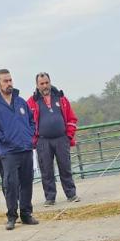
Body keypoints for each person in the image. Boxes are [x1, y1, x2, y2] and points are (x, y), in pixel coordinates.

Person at [0, 69, 39, 230]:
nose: (9, 83)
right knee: (11, 184)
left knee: (27, 182)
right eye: (5, 81)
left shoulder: (21, 102)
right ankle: (11, 216)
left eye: (10, 80)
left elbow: (31, 121)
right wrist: (4, 139)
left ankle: (26, 214)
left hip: (26, 148)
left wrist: (29, 135)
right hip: (8, 152)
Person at [26, 73, 80, 206]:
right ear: (37, 85)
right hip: (43, 141)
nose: (45, 86)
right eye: (42, 83)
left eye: (46, 82)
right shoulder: (31, 102)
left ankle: (71, 194)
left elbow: (72, 118)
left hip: (62, 139)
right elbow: (27, 123)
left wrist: (68, 136)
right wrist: (35, 140)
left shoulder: (61, 98)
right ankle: (50, 198)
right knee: (46, 170)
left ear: (50, 82)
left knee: (65, 167)